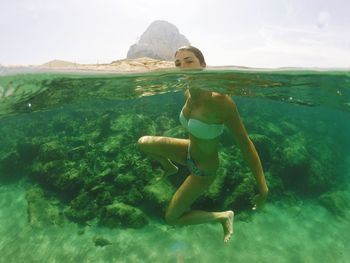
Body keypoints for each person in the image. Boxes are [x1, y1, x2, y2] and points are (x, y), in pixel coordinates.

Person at [138, 46, 268, 243]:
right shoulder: (187, 93)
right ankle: (169, 167)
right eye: (178, 64)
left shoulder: (220, 101)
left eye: (189, 61)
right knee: (143, 143)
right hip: (188, 151)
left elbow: (245, 144)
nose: (183, 68)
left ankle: (223, 216)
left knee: (172, 218)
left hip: (203, 170)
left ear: (203, 65)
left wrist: (263, 188)